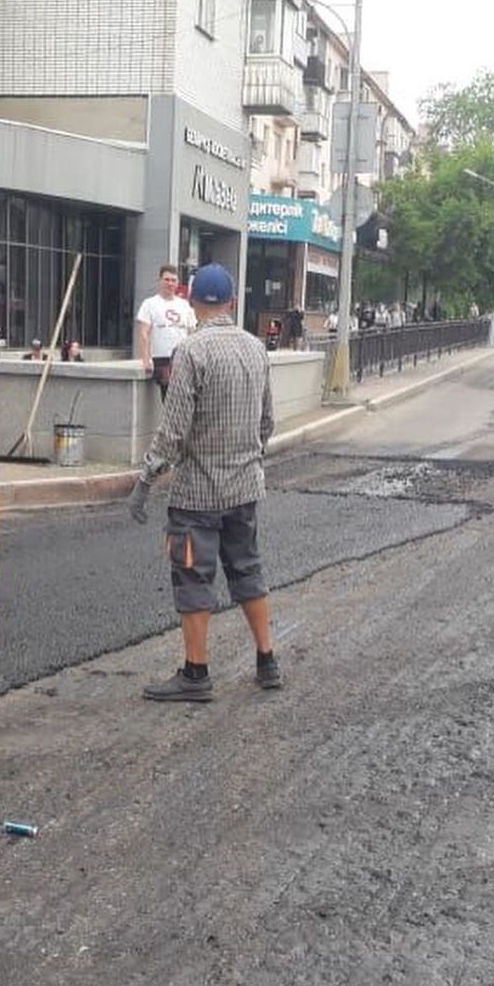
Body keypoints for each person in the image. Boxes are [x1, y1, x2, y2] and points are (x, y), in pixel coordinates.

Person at [127, 263, 281, 701]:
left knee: (194, 577)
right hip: (245, 489)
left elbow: (173, 431)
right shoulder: (255, 349)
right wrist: (250, 460)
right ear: (232, 302)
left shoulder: (191, 353)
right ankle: (267, 661)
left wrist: (145, 480)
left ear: (194, 302)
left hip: (197, 493)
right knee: (247, 569)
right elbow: (267, 422)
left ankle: (196, 674)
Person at [135, 264, 196, 401]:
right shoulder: (150, 304)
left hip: (182, 358)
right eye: (167, 279)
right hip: (162, 358)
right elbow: (144, 333)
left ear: (178, 283)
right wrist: (146, 359)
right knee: (169, 397)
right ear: (160, 281)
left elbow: (192, 333)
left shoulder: (184, 305)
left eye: (173, 280)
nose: (170, 283)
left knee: (185, 398)